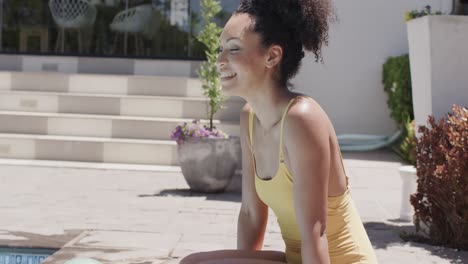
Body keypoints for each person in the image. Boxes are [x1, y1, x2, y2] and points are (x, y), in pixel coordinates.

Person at [181, 0, 378, 263]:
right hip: (296, 258)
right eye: (221, 49)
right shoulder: (250, 118)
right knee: (193, 263)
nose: (220, 60)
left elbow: (315, 233)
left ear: (272, 56)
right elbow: (251, 213)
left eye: (233, 49)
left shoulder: (302, 119)